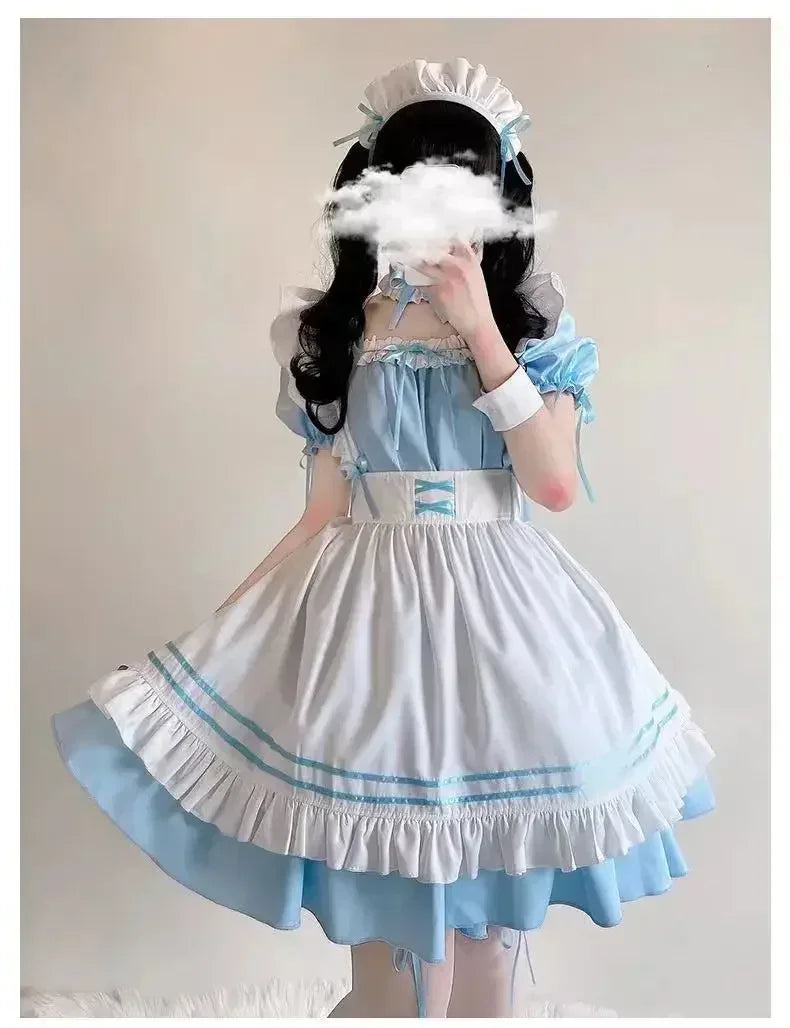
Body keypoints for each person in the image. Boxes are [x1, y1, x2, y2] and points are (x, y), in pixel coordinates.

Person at [52, 58, 715, 1018]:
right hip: (375, 635)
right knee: (397, 966)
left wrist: (481, 327)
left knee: (488, 952)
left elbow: (553, 485)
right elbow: (323, 512)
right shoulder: (330, 333)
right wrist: (208, 643)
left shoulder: (537, 324)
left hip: (506, 633)